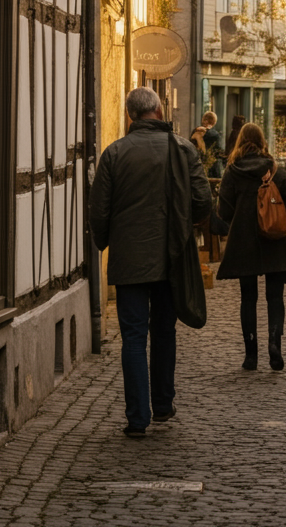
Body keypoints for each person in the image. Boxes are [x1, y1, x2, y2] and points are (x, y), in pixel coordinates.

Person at [90, 87, 212, 437]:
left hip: (129, 259)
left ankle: (137, 418)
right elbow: (203, 202)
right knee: (163, 330)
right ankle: (162, 403)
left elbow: (99, 210)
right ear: (159, 110)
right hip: (171, 257)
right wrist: (183, 226)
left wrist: (107, 242)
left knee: (132, 336)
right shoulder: (184, 149)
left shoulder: (114, 153)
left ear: (130, 115)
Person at [216, 123, 286, 371]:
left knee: (248, 298)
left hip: (244, 241)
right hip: (274, 239)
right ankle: (275, 344)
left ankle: (250, 355)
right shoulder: (274, 169)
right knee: (275, 297)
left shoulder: (232, 171)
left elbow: (224, 211)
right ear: (262, 141)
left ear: (239, 142)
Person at [189, 110, 225, 178]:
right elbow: (219, 152)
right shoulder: (216, 135)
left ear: (204, 120)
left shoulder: (196, 132)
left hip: (197, 166)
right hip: (212, 168)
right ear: (214, 122)